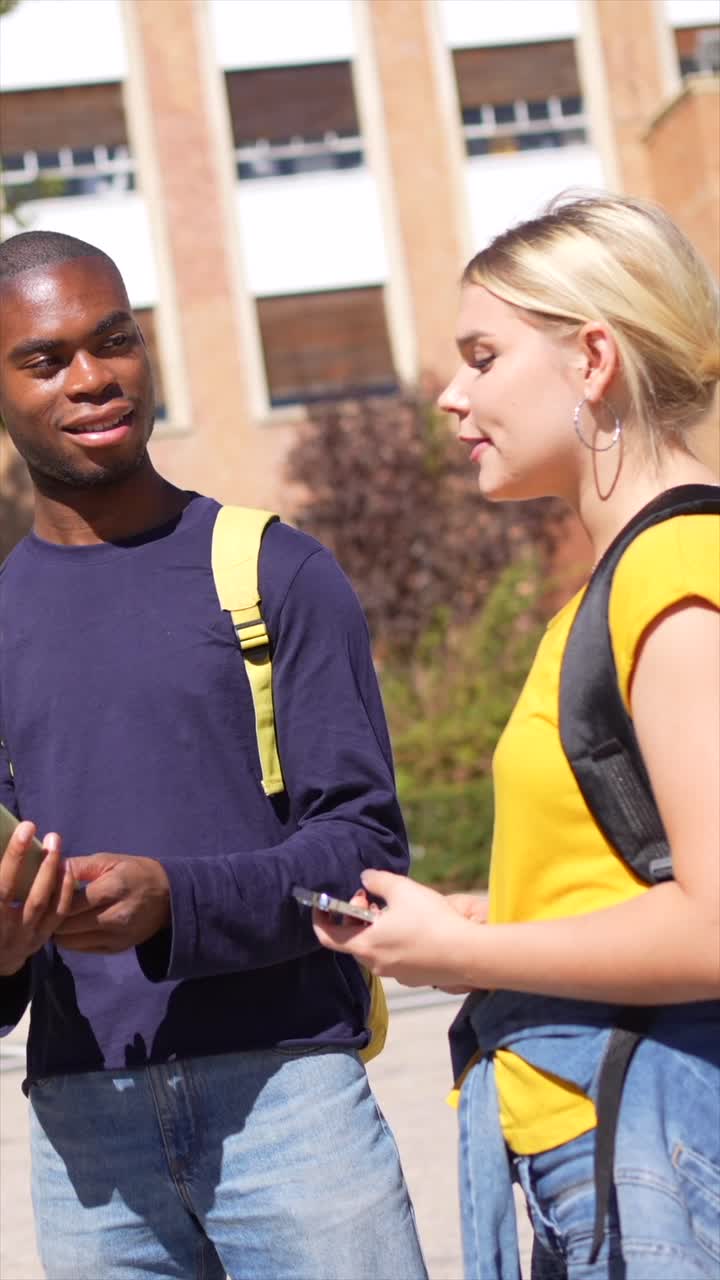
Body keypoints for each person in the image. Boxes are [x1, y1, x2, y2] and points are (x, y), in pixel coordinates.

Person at [0, 229, 428, 1280]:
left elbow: (366, 850)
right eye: (47, 359)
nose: (94, 378)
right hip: (84, 1127)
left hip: (292, 1109)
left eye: (115, 342)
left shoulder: (274, 569)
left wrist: (172, 902)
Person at [314, 193, 720, 1280]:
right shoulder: (613, 588)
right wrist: (481, 910)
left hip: (654, 1145)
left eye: (483, 356)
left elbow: (716, 924)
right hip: (605, 1137)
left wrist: (462, 953)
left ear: (593, 358)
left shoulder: (673, 581)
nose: (452, 395)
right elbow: (643, 870)